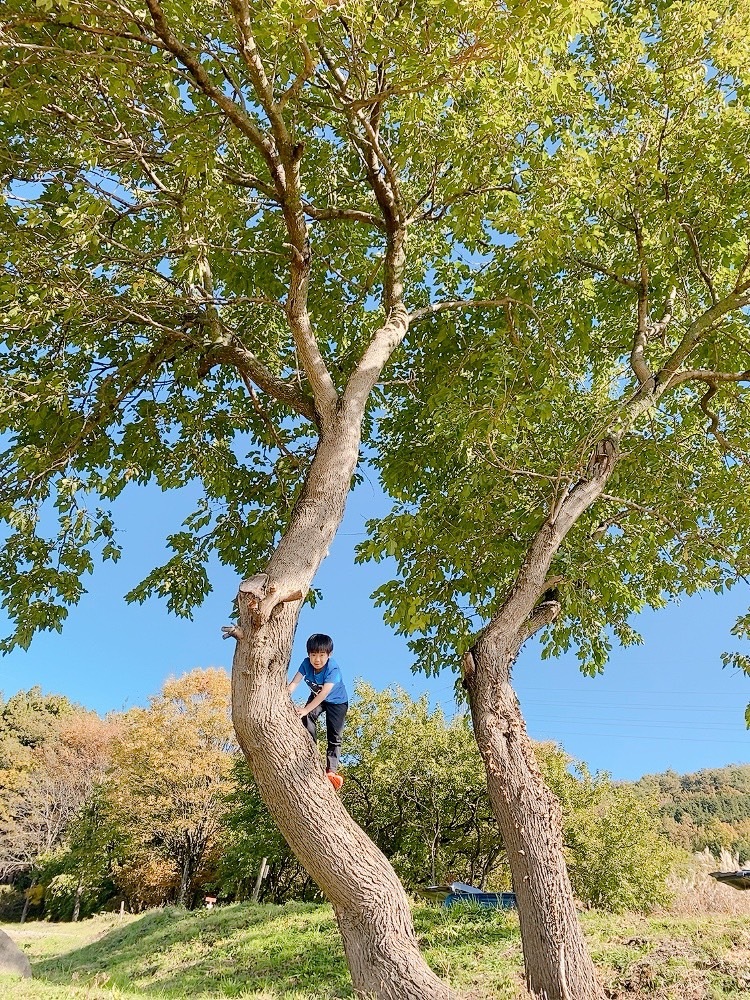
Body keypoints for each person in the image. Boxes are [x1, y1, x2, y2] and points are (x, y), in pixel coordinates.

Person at [288, 633, 348, 791]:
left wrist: (306, 708)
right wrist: (283, 697)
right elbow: (294, 683)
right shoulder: (306, 664)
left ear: (329, 655)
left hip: (336, 702)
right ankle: (311, 751)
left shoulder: (333, 668)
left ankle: (331, 772)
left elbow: (324, 694)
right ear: (308, 655)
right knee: (306, 717)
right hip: (316, 697)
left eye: (322, 655)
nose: (317, 659)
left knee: (334, 736)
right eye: (313, 655)